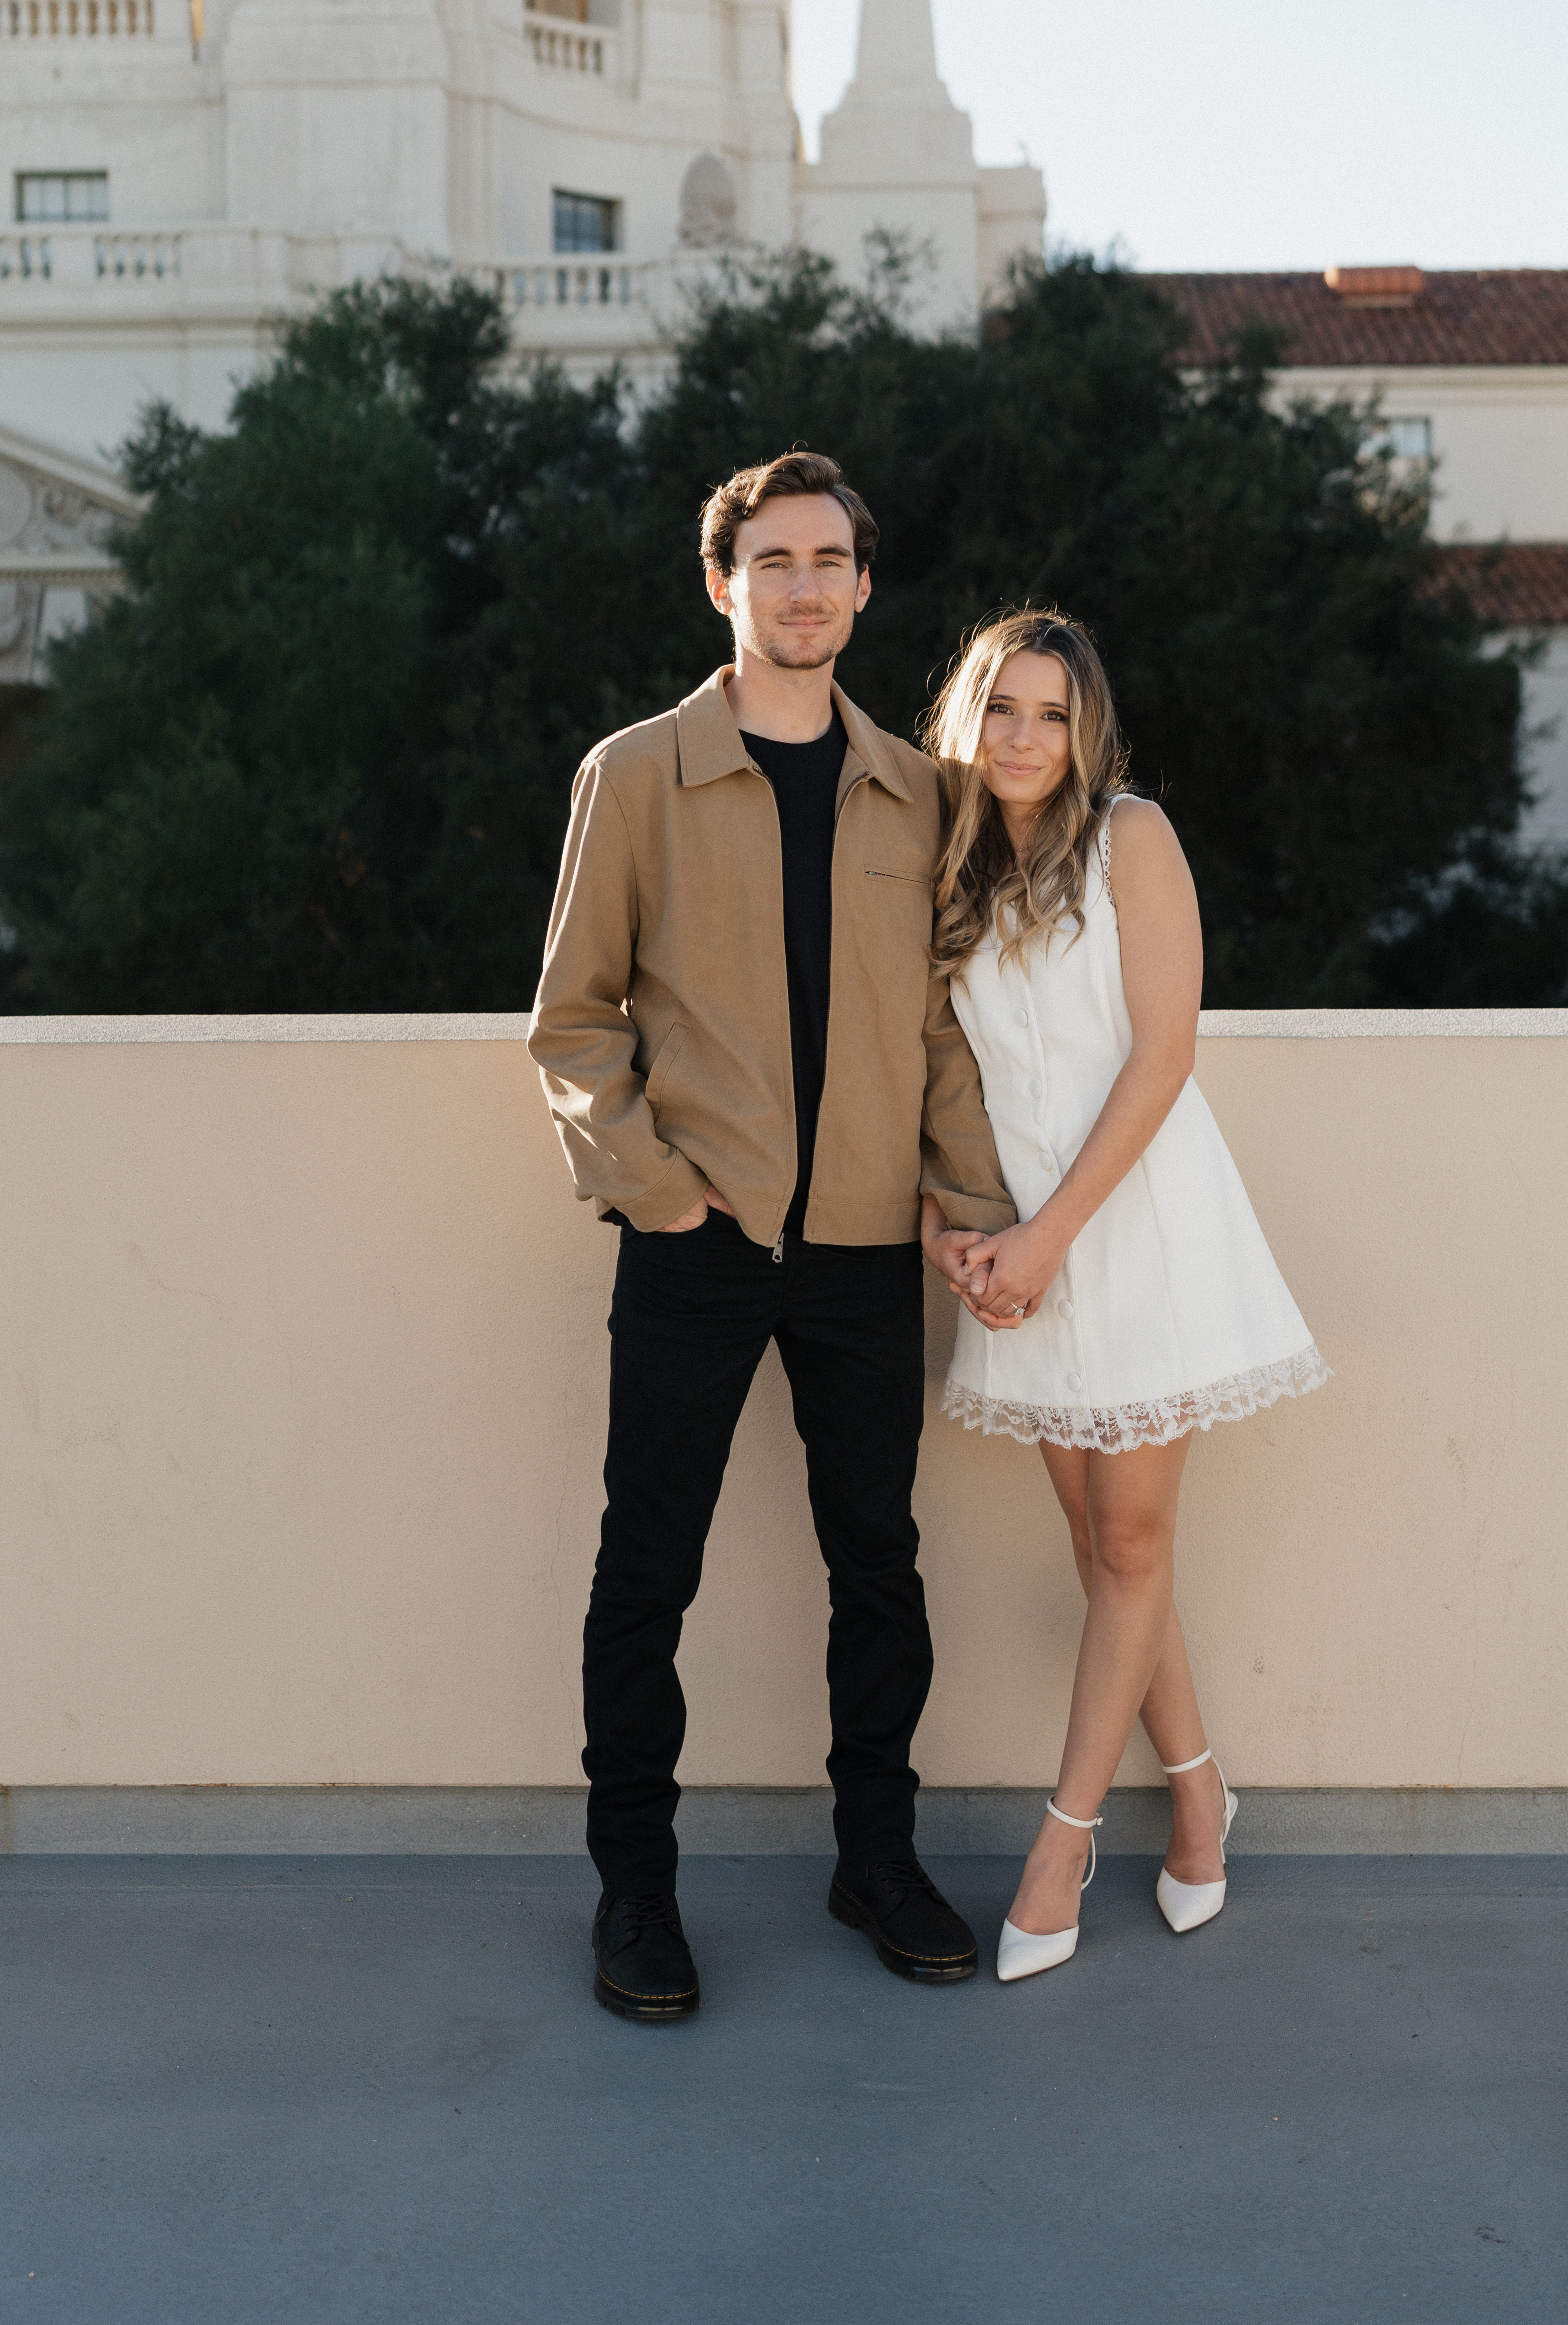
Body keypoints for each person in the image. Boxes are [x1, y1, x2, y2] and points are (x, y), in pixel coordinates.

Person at [528, 451, 1016, 2023]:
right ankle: (634, 1890)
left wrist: (973, 1209)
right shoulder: (636, 774)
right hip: (696, 1240)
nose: (802, 587)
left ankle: (878, 1859)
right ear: (720, 583)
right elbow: (572, 1021)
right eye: (772, 561)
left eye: (828, 561)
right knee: (646, 1569)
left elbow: (937, 1030)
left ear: (864, 589)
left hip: (866, 1248)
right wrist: (660, 1189)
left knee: (878, 1562)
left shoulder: (918, 792)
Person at [922, 610, 1329, 1985]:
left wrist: (1051, 1239)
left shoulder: (1128, 838)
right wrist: (952, 1226)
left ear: (1084, 731)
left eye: (1051, 713)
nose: (1024, 736)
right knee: (1103, 1553)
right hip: (1015, 1246)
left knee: (1134, 1541)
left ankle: (1064, 1842)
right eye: (1002, 708)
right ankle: (1201, 1792)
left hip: (1139, 1226)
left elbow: (1162, 1054)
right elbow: (936, 1071)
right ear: (968, 718)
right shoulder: (947, 863)